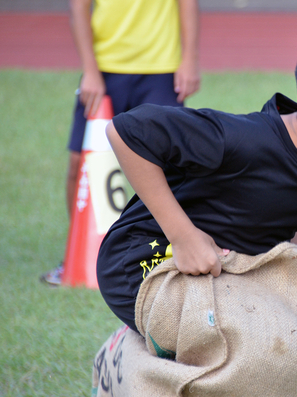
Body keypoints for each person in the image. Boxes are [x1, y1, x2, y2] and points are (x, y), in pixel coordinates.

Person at [96, 25, 297, 332]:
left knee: (296, 339)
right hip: (140, 265)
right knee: (244, 345)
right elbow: (124, 131)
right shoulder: (243, 141)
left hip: (222, 274)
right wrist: (183, 237)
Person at [41, 0, 201, 285]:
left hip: (160, 70)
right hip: (105, 69)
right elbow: (78, 7)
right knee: (81, 165)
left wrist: (188, 59)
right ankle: (80, 256)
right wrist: (90, 70)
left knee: (171, 169)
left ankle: (165, 257)